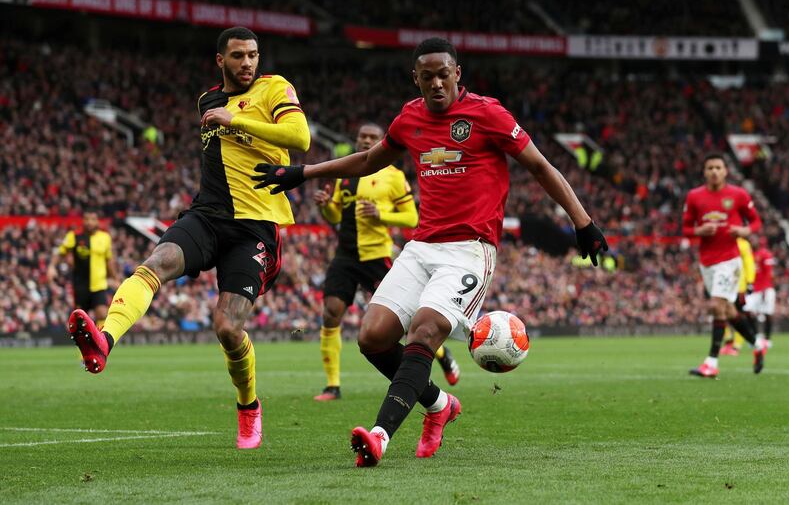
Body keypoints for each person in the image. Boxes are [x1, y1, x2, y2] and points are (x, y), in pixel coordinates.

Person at [252, 37, 607, 467]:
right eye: (427, 76)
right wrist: (303, 172)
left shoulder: (488, 114)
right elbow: (368, 160)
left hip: (470, 251)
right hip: (420, 247)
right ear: (415, 78)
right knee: (372, 337)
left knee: (424, 330)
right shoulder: (410, 118)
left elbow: (539, 166)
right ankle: (439, 404)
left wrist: (582, 222)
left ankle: (380, 435)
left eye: (444, 74)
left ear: (457, 74)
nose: (437, 83)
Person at [66, 27, 310, 449]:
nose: (248, 63)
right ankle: (105, 340)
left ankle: (248, 405)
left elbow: (301, 138)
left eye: (253, 54)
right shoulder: (207, 100)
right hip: (207, 215)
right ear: (221, 60)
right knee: (155, 263)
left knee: (227, 328)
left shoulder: (274, 88)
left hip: (254, 225)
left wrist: (237, 119)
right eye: (238, 56)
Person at [313, 123, 460, 402]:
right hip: (345, 255)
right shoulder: (345, 174)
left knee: (400, 321)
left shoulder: (393, 176)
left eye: (372, 137)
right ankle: (332, 386)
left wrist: (381, 214)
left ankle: (442, 353)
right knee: (332, 312)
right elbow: (334, 217)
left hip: (377, 255)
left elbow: (412, 218)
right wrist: (325, 206)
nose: (366, 141)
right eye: (362, 137)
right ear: (356, 140)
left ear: (382, 142)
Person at [683, 154, 766, 378]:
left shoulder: (738, 195)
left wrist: (745, 231)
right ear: (704, 171)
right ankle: (758, 344)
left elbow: (756, 221)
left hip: (730, 260)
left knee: (716, 305)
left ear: (725, 171)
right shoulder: (694, 196)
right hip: (707, 262)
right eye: (710, 168)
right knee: (728, 310)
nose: (714, 172)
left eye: (718, 167)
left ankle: (711, 362)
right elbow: (686, 228)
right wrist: (699, 231)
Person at [48, 210, 118, 327]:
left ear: (97, 222)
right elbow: (60, 252)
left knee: (102, 314)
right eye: (87, 219)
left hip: (99, 285)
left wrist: (115, 278)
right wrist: (51, 266)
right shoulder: (73, 236)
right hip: (80, 285)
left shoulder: (105, 237)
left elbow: (109, 260)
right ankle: (82, 344)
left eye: (93, 219)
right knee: (80, 319)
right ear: (83, 221)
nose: (90, 222)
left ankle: (101, 344)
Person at [719, 237, 756, 356]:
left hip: (738, 286)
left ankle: (736, 346)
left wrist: (750, 281)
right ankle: (729, 341)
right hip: (725, 284)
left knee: (737, 315)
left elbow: (749, 263)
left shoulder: (743, 244)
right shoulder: (724, 241)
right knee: (722, 313)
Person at [744, 236, 776, 348]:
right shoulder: (750, 254)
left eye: (754, 240)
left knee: (768, 313)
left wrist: (765, 290)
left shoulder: (765, 254)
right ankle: (756, 337)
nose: (752, 241)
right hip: (754, 289)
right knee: (746, 310)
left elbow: (769, 274)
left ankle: (767, 339)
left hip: (765, 289)